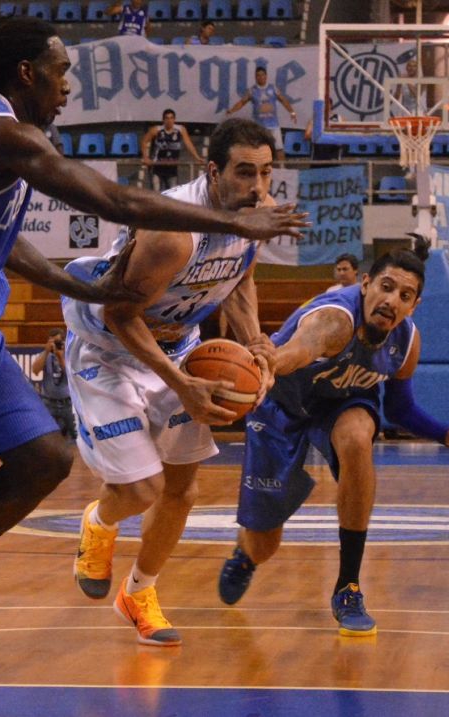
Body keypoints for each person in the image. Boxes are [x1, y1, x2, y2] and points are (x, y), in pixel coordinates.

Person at [0, 14, 306, 669]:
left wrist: (80, 286)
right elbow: (116, 201)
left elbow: (2, 240)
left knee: (45, 459)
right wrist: (238, 222)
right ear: (26, 74)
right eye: (61, 71)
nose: (68, 85)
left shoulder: (7, 144)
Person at [66, 118, 290, 646]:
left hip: (178, 346)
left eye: (265, 173)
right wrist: (183, 384)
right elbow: (121, 315)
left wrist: (256, 342)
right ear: (212, 171)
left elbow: (239, 280)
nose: (257, 187)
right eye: (244, 173)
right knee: (141, 488)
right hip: (110, 349)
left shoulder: (255, 216)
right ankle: (100, 521)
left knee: (182, 490)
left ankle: (138, 593)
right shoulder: (172, 234)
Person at [216, 239, 449, 635]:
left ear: (414, 306)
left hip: (342, 400)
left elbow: (400, 409)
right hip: (281, 401)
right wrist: (270, 362)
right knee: (264, 544)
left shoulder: (406, 341)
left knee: (357, 437)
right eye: (386, 287)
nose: (392, 300)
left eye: (404, 295)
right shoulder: (336, 320)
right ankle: (246, 554)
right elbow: (300, 351)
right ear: (366, 283)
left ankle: (348, 587)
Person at [226, 66, 297, 162]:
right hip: (259, 127)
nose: (260, 77)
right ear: (255, 77)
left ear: (266, 76)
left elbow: (283, 100)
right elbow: (242, 102)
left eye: (262, 75)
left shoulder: (273, 88)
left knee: (279, 149)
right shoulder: (252, 91)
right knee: (257, 149)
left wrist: (292, 112)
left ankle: (283, 169)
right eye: (258, 75)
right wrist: (232, 110)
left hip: (273, 125)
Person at [141, 108, 203, 192]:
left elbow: (188, 144)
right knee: (157, 192)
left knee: (172, 192)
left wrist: (197, 157)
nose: (169, 121)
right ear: (163, 120)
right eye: (167, 118)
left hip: (172, 167)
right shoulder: (156, 130)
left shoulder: (180, 130)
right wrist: (145, 157)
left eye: (171, 118)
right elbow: (144, 141)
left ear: (174, 119)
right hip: (157, 166)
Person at [32, 328, 75, 439]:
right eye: (52, 342)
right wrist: (46, 352)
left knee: (75, 437)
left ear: (63, 342)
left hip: (67, 404)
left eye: (57, 342)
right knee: (47, 436)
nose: (55, 345)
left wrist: (60, 357)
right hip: (49, 403)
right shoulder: (45, 356)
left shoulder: (69, 356)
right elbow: (35, 371)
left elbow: (71, 376)